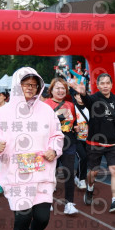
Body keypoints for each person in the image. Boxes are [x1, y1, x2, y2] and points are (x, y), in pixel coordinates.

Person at [0, 67, 63, 230]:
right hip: (16, 175)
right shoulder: (3, 112)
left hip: (42, 173)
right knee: (22, 218)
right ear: (17, 86)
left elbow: (57, 135)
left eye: (34, 85)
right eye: (26, 84)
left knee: (43, 217)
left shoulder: (46, 110)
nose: (30, 88)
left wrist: (54, 149)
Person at [68, 73, 115, 213]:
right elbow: (86, 100)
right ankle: (90, 188)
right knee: (93, 173)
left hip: (112, 143)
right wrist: (83, 93)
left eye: (108, 83)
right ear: (98, 85)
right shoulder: (94, 99)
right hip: (95, 143)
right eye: (102, 83)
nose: (105, 86)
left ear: (111, 85)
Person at [44, 78, 79, 215]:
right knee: (49, 173)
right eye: (57, 88)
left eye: (63, 88)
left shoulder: (70, 105)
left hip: (68, 142)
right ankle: (47, 201)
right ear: (51, 90)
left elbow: (74, 122)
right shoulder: (46, 104)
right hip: (51, 143)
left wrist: (76, 127)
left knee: (69, 172)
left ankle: (69, 203)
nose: (60, 91)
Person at [73, 91, 89, 190]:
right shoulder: (72, 108)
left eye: (82, 95)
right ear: (75, 96)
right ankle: (81, 179)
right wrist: (74, 127)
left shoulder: (90, 107)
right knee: (83, 157)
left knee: (86, 158)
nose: (80, 97)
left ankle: (78, 176)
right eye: (78, 95)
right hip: (76, 138)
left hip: (88, 138)